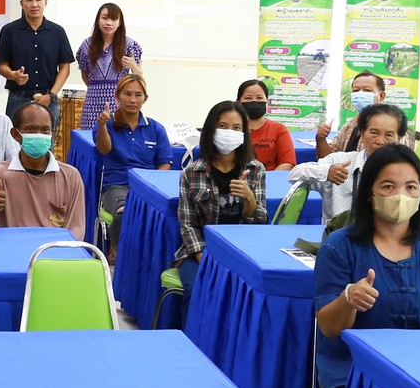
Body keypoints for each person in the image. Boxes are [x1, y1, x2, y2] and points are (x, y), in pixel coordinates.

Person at [311, 144, 420, 388]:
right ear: (369, 194)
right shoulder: (339, 247)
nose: (401, 195)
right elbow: (329, 328)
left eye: (411, 187)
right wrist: (348, 299)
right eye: (388, 186)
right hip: (356, 375)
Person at [173, 101, 269, 297]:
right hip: (201, 250)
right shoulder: (191, 172)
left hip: (243, 251)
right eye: (223, 126)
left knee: (248, 293)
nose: (229, 132)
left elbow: (261, 222)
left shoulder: (255, 169)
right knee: (198, 288)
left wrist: (249, 199)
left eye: (236, 128)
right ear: (211, 130)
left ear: (244, 133)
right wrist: (204, 257)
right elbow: (187, 224)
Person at [0, 100, 87, 238]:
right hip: (13, 246)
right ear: (15, 134)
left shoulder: (70, 176)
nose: (38, 134)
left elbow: (76, 228)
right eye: (30, 129)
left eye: (45, 130)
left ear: (52, 134)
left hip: (52, 248)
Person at [93, 73, 173, 254]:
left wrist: (153, 185)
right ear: (117, 96)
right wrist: (103, 126)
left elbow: (164, 163)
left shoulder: (155, 128)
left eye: (138, 95)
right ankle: (123, 254)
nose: (132, 99)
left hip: (147, 188)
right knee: (125, 211)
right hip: (116, 186)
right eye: (127, 94)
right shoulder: (107, 123)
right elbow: (104, 149)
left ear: (145, 98)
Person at [291, 103, 406, 228]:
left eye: (389, 135)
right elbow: (294, 175)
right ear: (362, 133)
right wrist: (326, 172)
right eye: (374, 133)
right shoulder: (340, 162)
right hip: (339, 238)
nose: (380, 141)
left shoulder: (406, 172)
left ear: (399, 138)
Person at [0, 0, 75, 126]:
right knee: (14, 139)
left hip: (48, 99)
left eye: (38, 0)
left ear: (46, 2)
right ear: (22, 4)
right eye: (29, 0)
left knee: (46, 139)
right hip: (18, 98)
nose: (34, 4)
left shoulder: (57, 32)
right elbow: (2, 66)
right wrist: (13, 75)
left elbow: (65, 68)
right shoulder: (9, 31)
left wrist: (51, 95)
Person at [75, 3, 142, 131]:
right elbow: (85, 74)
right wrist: (97, 88)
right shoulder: (87, 45)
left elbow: (139, 77)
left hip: (119, 103)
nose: (108, 23)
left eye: (114, 19)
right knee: (91, 138)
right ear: (98, 20)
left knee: (117, 138)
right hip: (92, 104)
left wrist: (133, 66)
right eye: (105, 18)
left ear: (119, 23)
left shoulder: (129, 45)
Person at [314, 70, 387, 158]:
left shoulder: (390, 127)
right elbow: (328, 158)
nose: (360, 94)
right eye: (356, 90)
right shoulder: (349, 126)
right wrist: (321, 139)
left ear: (381, 96)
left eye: (367, 90)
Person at [237, 78, 296, 172]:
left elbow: (287, 163)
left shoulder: (279, 129)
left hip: (271, 180)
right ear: (239, 102)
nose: (254, 101)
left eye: (259, 98)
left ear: (267, 101)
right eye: (248, 98)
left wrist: (266, 178)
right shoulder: (232, 130)